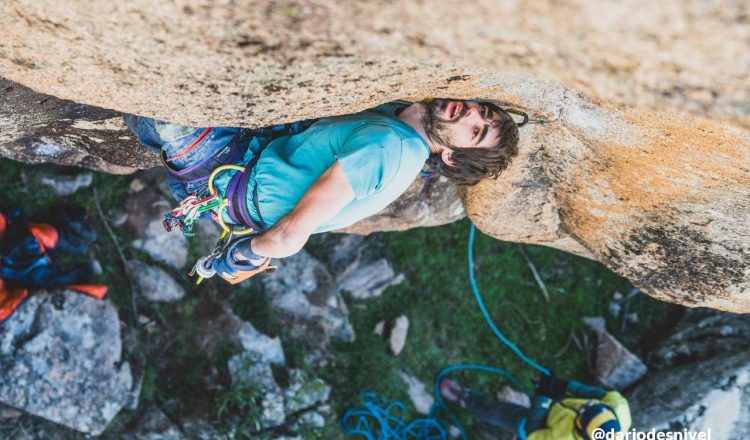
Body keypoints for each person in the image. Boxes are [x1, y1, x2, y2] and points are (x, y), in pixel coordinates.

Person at [125, 98, 520, 282]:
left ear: (451, 156)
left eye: (475, 132)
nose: (467, 113)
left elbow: (291, 235)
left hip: (220, 174)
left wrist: (233, 258)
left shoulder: (390, 148)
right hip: (246, 159)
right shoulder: (405, 122)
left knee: (147, 97)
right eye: (480, 111)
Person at [440, 374, 631, 439]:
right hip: (558, 411)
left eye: (583, 413)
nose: (584, 406)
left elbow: (533, 431)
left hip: (539, 428)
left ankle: (466, 399)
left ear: (580, 430)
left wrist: (543, 399)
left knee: (500, 413)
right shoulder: (619, 409)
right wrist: (563, 386)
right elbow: (597, 395)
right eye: (589, 406)